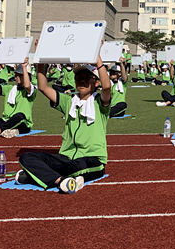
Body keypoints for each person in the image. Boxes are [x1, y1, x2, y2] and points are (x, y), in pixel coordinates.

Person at [17, 57, 111, 193]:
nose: (82, 81)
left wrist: (98, 60)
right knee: (27, 157)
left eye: (87, 78)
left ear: (96, 83)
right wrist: (40, 60)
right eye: (79, 78)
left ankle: (37, 175)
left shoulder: (99, 103)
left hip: (92, 159)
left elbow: (107, 87)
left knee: (78, 165)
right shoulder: (69, 102)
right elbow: (43, 87)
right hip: (66, 158)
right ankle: (61, 181)